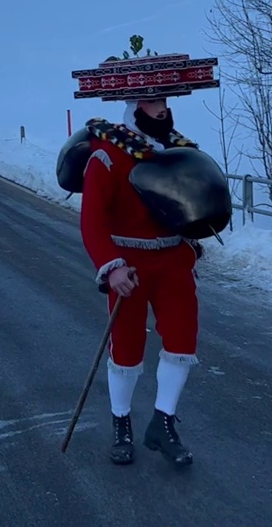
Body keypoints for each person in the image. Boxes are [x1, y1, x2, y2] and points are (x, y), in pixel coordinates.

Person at [78, 95, 206, 466]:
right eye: (151, 102)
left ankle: (163, 423)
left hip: (173, 261)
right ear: (135, 107)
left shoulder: (177, 151)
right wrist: (111, 266)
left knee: (183, 341)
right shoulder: (106, 155)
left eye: (164, 100)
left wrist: (195, 236)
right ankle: (121, 423)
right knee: (127, 346)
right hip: (128, 265)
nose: (161, 109)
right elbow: (92, 221)